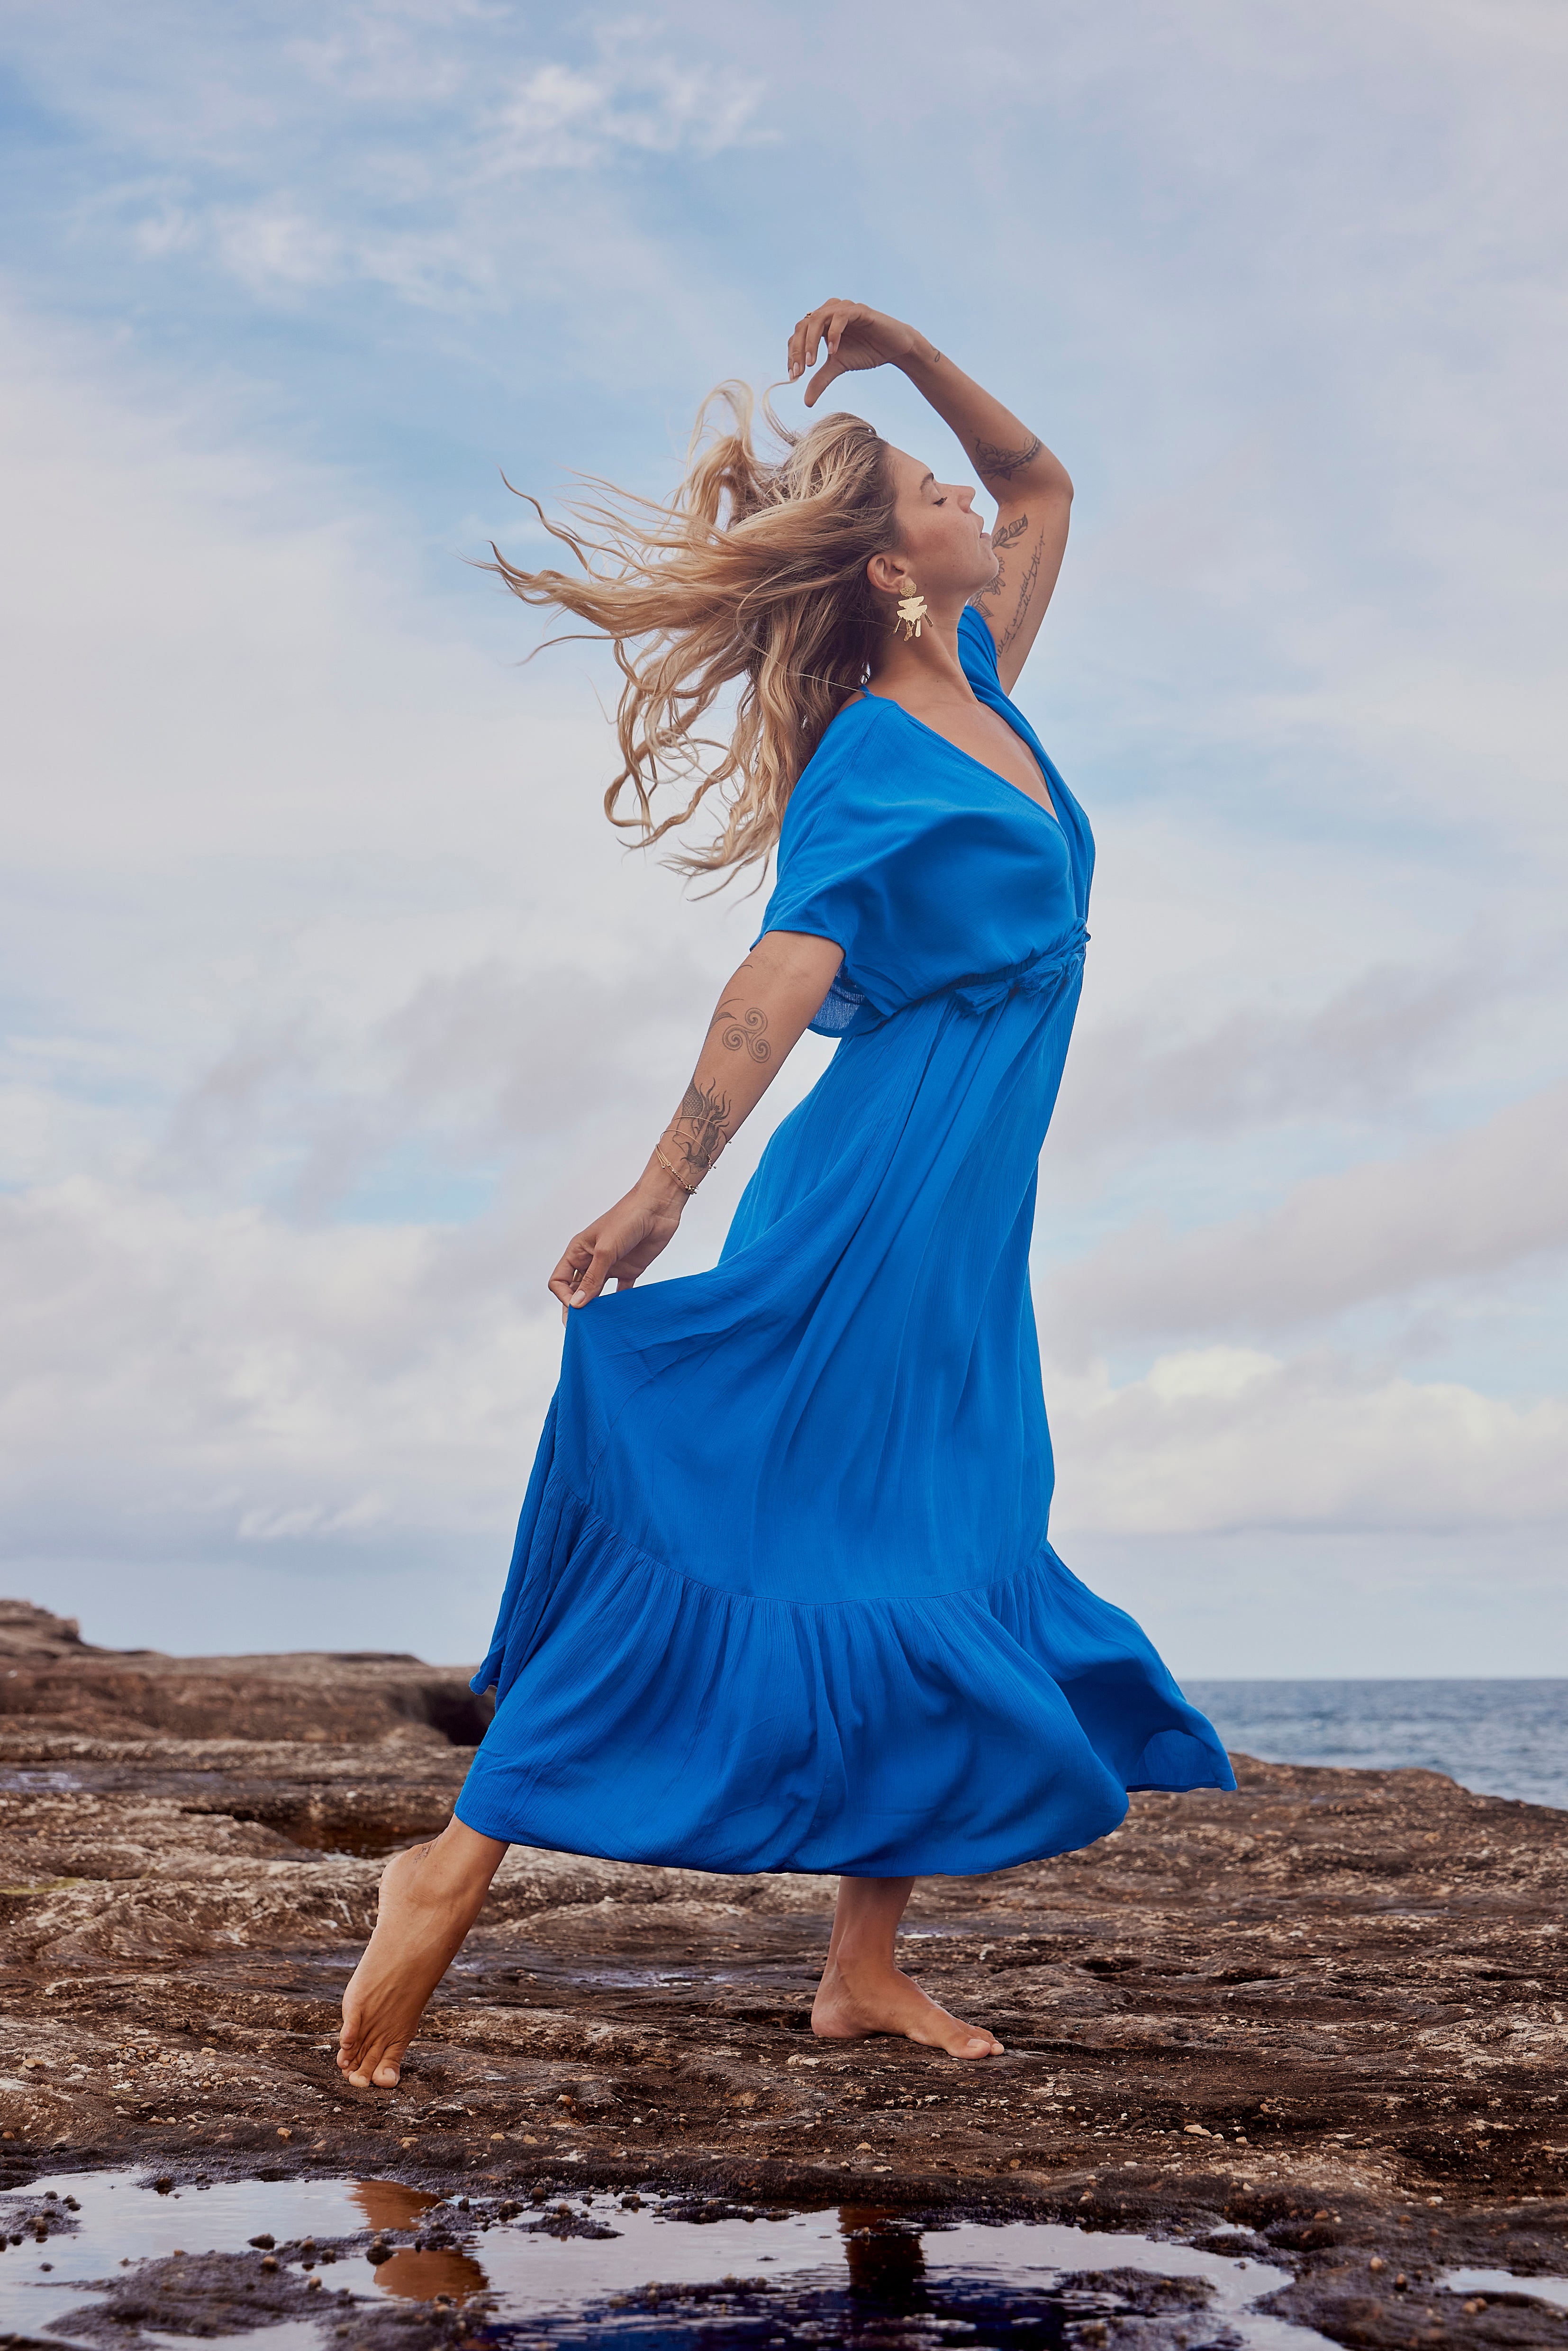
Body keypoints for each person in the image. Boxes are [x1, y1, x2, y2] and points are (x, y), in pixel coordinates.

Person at [338, 299, 1235, 2088]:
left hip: (970, 1211)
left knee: (945, 1535)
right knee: (765, 1518)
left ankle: (861, 1966)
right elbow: (785, 966)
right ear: (892, 566)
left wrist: (905, 351)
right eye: (927, 491)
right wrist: (668, 1181)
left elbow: (1042, 481)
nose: (963, 499)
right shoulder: (876, 755)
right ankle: (453, 1856)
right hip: (880, 1190)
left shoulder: (979, 673)